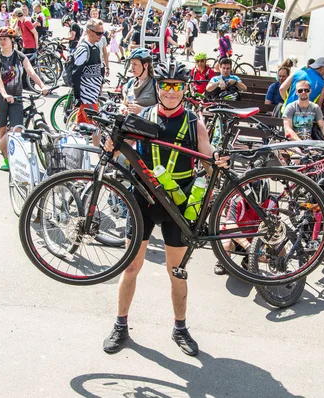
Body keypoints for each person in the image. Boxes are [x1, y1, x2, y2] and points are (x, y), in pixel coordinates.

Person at [101, 58, 230, 356]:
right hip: (143, 199)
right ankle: (120, 325)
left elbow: (206, 150)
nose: (171, 91)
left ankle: (180, 327)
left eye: (177, 86)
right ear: (157, 87)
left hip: (178, 205)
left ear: (184, 90)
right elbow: (120, 141)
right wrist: (110, 142)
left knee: (177, 272)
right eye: (166, 85)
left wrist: (216, 161)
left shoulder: (193, 120)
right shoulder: (143, 115)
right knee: (131, 266)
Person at [0, 27, 50, 170]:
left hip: (17, 96)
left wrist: (42, 86)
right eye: (0, 39)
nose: (2, 42)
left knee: (17, 129)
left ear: (12, 40)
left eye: (5, 39)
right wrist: (4, 95)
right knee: (1, 129)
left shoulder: (20, 56)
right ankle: (7, 160)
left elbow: (31, 72)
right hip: (0, 96)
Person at [71, 18, 104, 126]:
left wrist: (100, 87)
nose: (100, 36)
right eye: (98, 33)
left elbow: (99, 68)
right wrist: (78, 96)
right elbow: (75, 74)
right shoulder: (84, 49)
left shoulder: (96, 46)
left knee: (80, 125)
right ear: (89, 31)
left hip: (93, 95)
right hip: (87, 96)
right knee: (95, 127)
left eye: (102, 33)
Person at [122, 48, 157, 114]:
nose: (132, 68)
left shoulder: (155, 83)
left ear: (145, 65)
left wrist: (142, 110)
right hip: (130, 122)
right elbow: (124, 103)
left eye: (135, 64)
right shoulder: (131, 82)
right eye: (131, 64)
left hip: (146, 122)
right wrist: (124, 108)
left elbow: (163, 108)